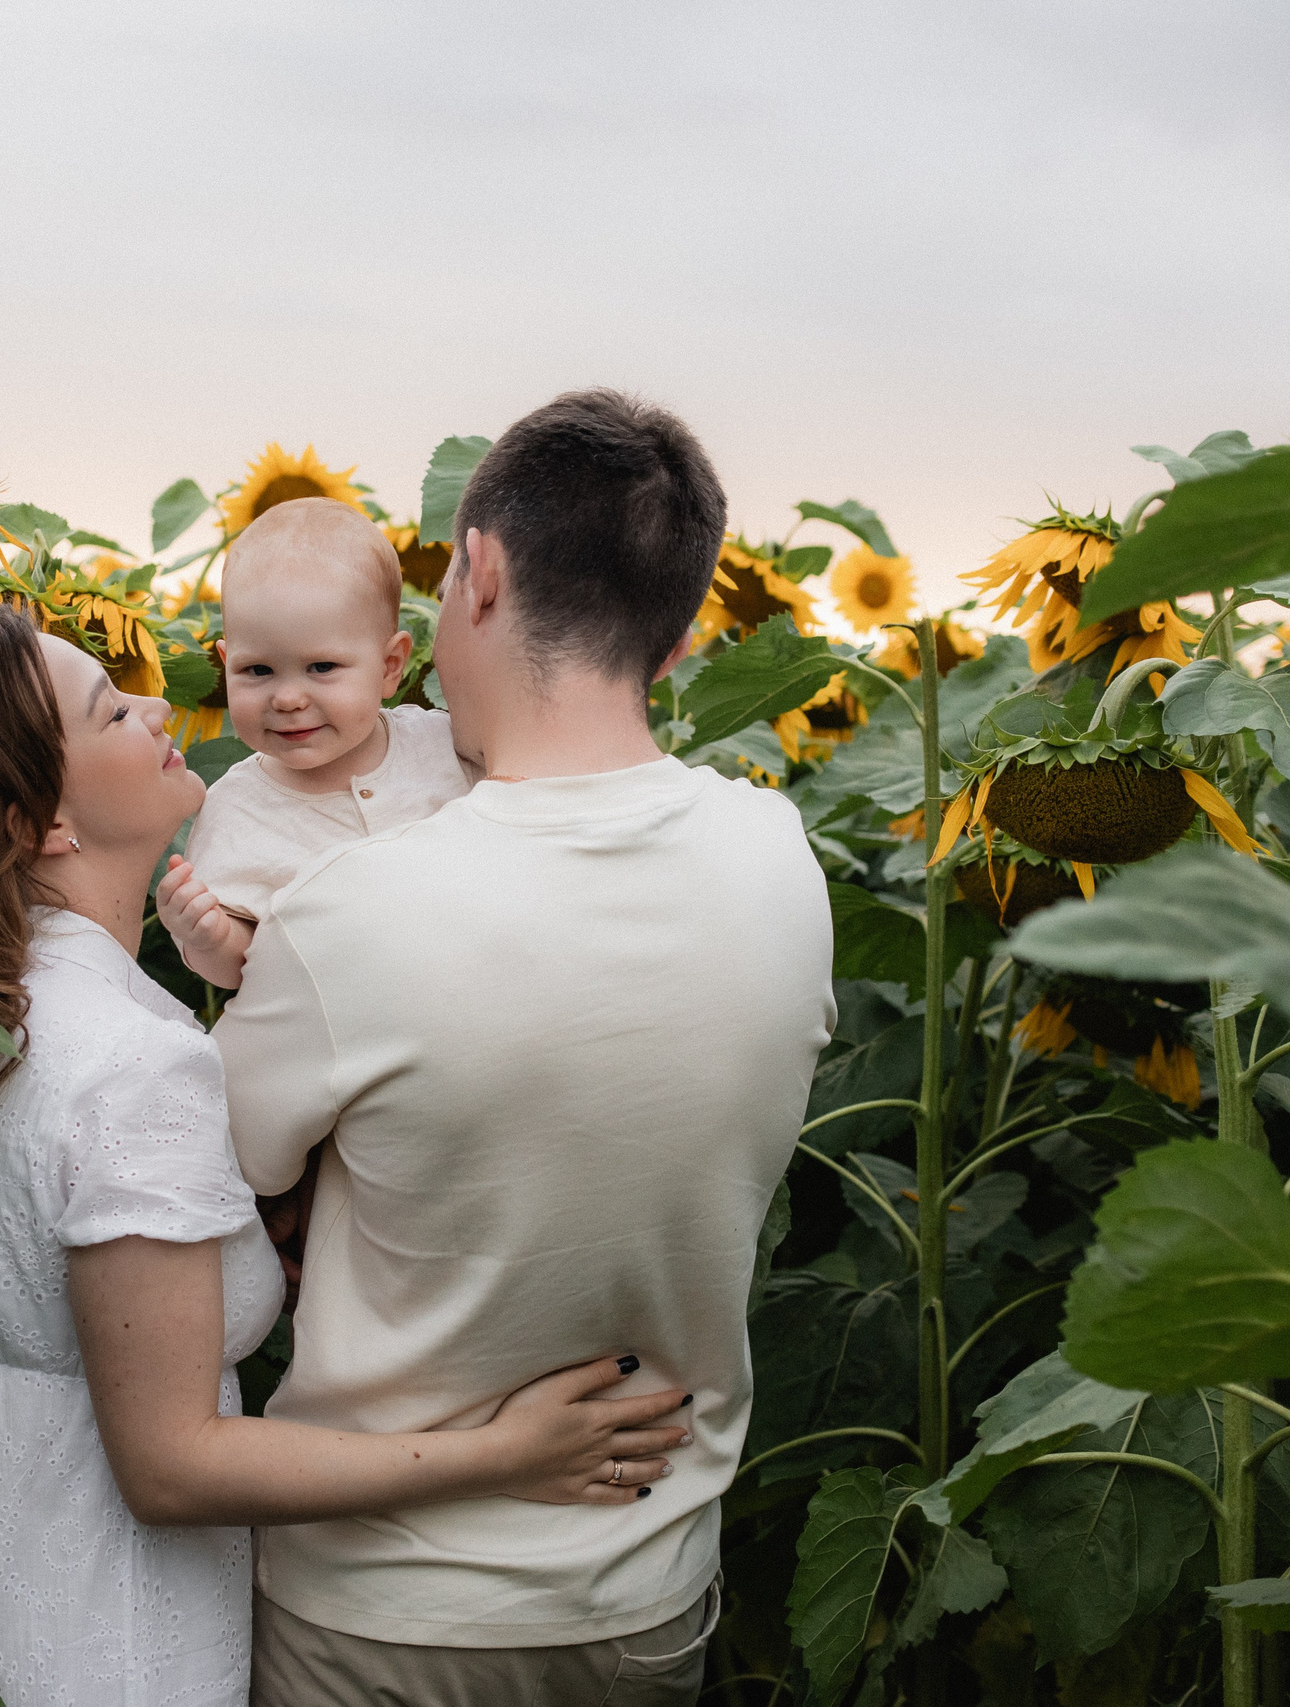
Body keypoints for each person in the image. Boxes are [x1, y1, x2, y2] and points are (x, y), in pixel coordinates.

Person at [0, 609, 693, 1707]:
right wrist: (511, 1453)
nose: (158, 706)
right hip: (90, 1629)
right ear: (43, 822)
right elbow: (172, 1466)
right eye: (111, 710)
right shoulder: (130, 1062)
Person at [216, 389, 838, 1705]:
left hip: (385, 1605)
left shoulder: (350, 918)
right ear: (671, 638)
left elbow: (221, 1172)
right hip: (651, 1591)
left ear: (480, 573)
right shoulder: (779, 863)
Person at [157, 497, 478, 991]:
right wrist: (211, 938)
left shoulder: (445, 747)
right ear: (225, 664)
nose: (286, 698)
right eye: (256, 670)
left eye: (322, 668)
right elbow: (239, 971)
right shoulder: (235, 812)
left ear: (390, 666)